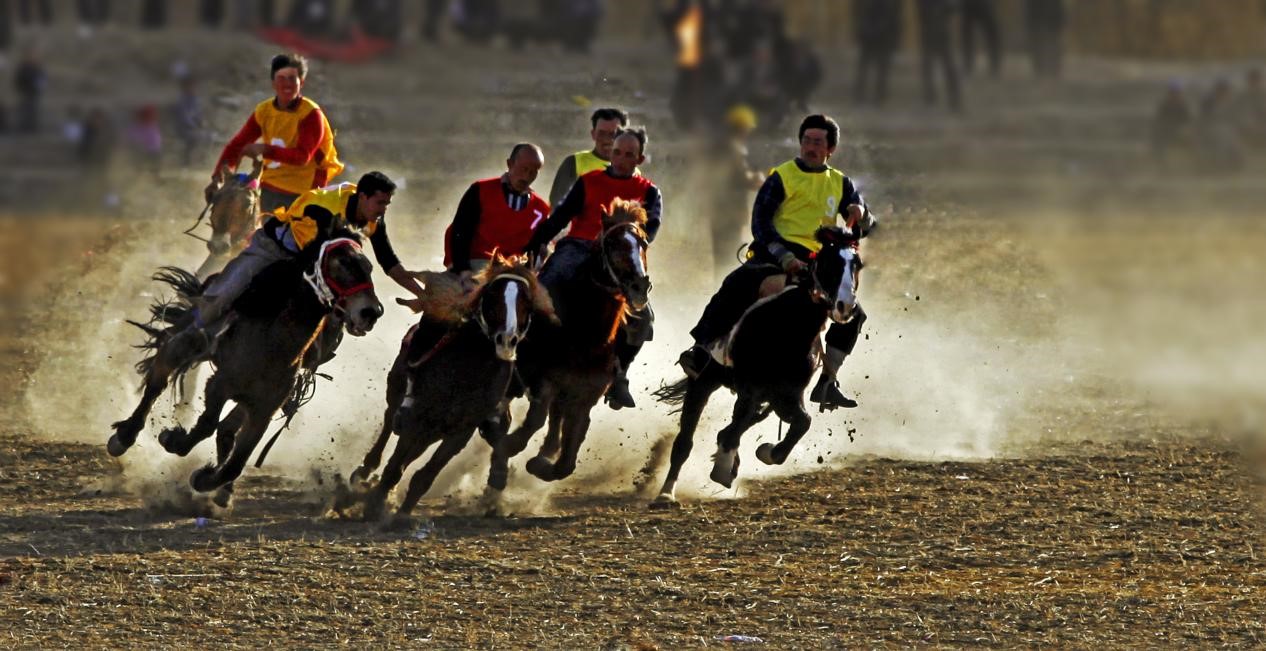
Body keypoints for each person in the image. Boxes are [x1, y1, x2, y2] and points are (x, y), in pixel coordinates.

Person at [679, 114, 877, 410]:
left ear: (830, 149)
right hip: (774, 256)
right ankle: (702, 350)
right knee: (736, 284)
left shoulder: (841, 182)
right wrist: (785, 257)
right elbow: (760, 223)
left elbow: (866, 225)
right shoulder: (782, 176)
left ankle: (828, 381)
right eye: (806, 140)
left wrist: (862, 212)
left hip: (819, 266)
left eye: (817, 142)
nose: (810, 147)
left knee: (854, 314)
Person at [173, 171, 423, 352]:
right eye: (381, 203)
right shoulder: (324, 208)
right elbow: (311, 254)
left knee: (333, 323)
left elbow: (390, 264)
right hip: (277, 247)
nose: (384, 209)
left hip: (315, 260)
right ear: (362, 197)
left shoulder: (373, 219)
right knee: (231, 288)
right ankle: (185, 337)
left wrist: (422, 296)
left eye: (387, 204)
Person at [527, 128, 663, 410]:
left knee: (642, 318)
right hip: (578, 246)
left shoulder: (649, 192)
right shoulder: (588, 181)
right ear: (610, 153)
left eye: (628, 155)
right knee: (545, 287)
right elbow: (561, 216)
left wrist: (625, 250)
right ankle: (526, 357)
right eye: (616, 153)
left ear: (640, 158)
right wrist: (537, 240)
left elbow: (649, 230)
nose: (621, 159)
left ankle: (619, 374)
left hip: (619, 257)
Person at [207, 53, 343, 214]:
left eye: (292, 78)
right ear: (273, 83)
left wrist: (265, 150)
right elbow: (237, 145)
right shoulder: (263, 111)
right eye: (281, 78)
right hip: (270, 187)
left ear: (302, 82)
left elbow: (302, 157)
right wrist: (217, 178)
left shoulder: (311, 114)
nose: (287, 84)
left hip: (305, 190)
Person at [444, 143, 549, 282]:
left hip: (514, 269)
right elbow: (460, 232)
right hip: (475, 263)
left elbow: (534, 251)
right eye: (524, 169)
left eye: (533, 172)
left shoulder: (540, 208)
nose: (527, 176)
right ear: (510, 164)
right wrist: (463, 269)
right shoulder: (481, 190)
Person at [709, 105, 765, 275]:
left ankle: (721, 284)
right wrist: (758, 180)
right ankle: (725, 287)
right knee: (729, 254)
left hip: (721, 211)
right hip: (729, 212)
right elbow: (739, 178)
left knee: (724, 254)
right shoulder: (732, 149)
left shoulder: (726, 147)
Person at [547, 107, 629, 209]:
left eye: (613, 134)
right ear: (593, 134)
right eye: (601, 133)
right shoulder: (574, 163)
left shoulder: (632, 171)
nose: (607, 140)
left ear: (624, 136)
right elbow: (557, 204)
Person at [854, 0, 903, 106]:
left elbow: (895, 14)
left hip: (880, 34)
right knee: (872, 66)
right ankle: (868, 93)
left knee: (878, 67)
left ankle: (876, 94)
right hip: (874, 34)